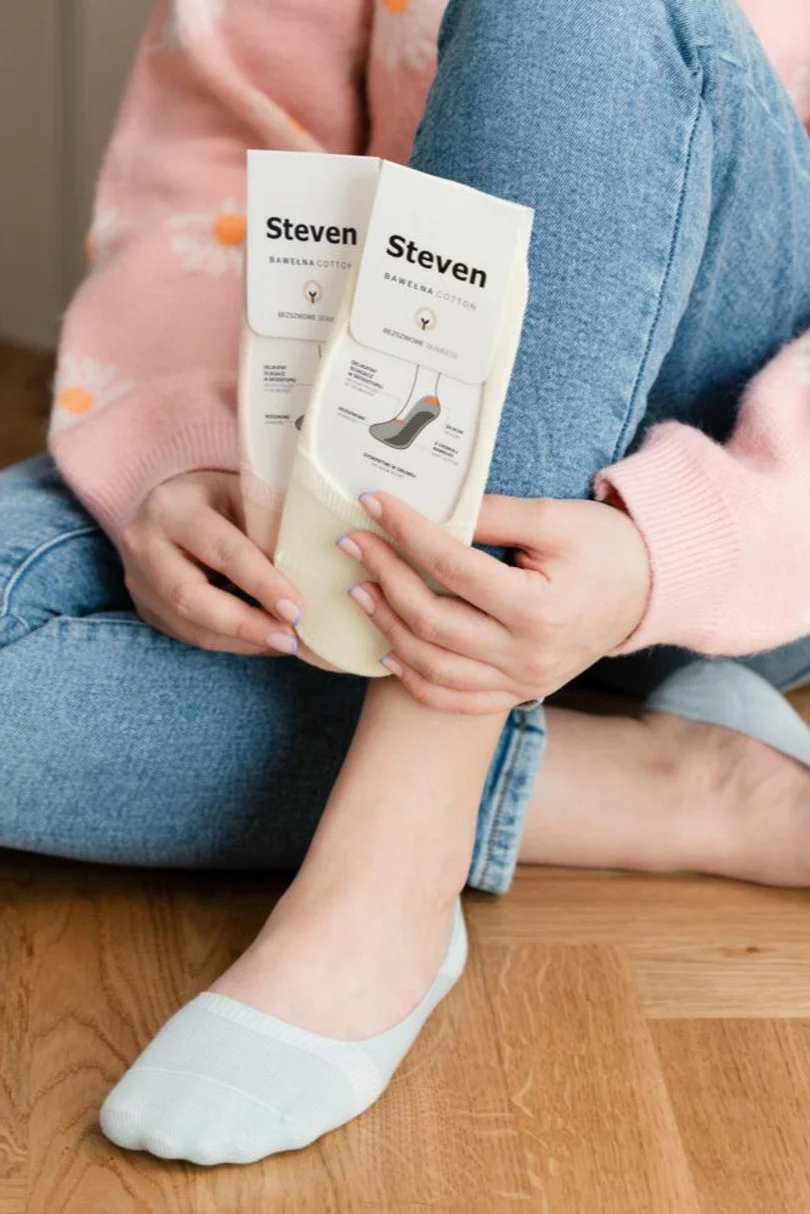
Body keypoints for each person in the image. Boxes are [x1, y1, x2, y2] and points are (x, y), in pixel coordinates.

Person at [3, 0, 810, 1166]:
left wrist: (671, 547)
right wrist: (188, 456)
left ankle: (393, 853)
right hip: (347, 506)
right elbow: (219, 149)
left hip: (734, 530)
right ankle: (669, 785)